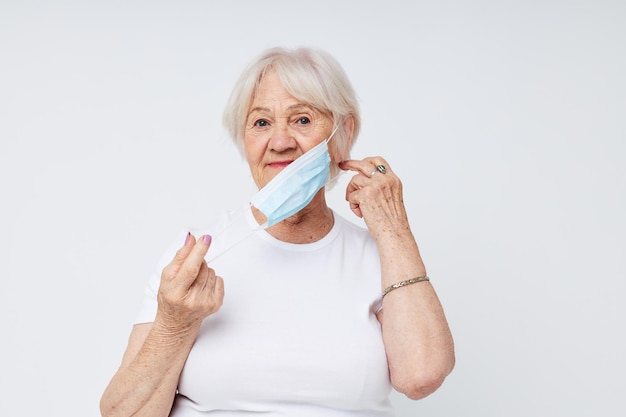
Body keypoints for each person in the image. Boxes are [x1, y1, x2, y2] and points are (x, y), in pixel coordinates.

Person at [100, 46, 455, 417]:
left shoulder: (381, 257)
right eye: (261, 123)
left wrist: (393, 227)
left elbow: (422, 377)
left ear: (343, 134)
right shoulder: (196, 256)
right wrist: (173, 324)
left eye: (302, 120)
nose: (281, 142)